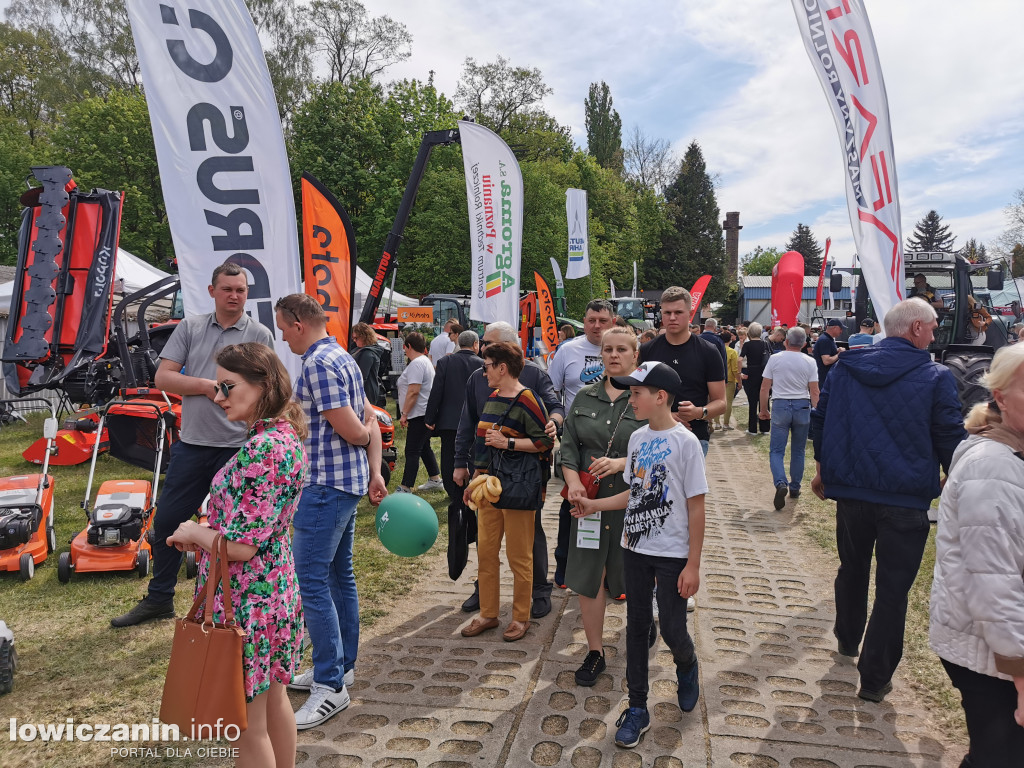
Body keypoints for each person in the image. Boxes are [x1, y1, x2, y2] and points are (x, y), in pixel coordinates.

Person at [811, 298, 967, 702]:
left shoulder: (846, 365)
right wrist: (960, 475)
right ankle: (875, 680)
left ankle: (847, 639)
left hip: (852, 492)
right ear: (915, 328)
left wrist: (821, 467)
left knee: (853, 567)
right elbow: (949, 433)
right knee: (893, 590)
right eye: (931, 327)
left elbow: (822, 419)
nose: (934, 335)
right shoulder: (937, 376)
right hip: (905, 498)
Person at [166, 342, 307, 766]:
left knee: (247, 727)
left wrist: (196, 531)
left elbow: (244, 547)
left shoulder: (264, 449)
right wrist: (209, 535)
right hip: (272, 590)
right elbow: (255, 527)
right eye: (216, 387)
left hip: (248, 600)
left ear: (263, 385)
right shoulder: (280, 437)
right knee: (272, 705)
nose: (219, 396)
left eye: (227, 386)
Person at [112, 261, 274, 628]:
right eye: (228, 289)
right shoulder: (191, 326)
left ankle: (238, 607)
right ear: (211, 291)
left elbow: (268, 386)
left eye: (241, 290)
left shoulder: (259, 334)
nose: (235, 296)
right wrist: (205, 386)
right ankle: (160, 598)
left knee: (236, 535)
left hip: (238, 449)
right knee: (168, 521)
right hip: (192, 444)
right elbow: (164, 376)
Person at [574, 361, 706, 748]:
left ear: (660, 396)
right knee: (636, 628)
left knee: (672, 628)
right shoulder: (637, 439)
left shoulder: (686, 443)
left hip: (672, 554)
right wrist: (595, 507)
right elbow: (635, 491)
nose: (631, 399)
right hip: (634, 547)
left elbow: (696, 506)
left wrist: (693, 564)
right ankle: (637, 707)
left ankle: (687, 664)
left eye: (636, 393)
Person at [273, 294, 387, 729]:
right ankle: (341, 666)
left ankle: (330, 685)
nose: (283, 337)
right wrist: (368, 441)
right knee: (339, 576)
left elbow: (356, 428)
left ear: (299, 323)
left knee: (313, 582)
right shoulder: (341, 355)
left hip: (324, 485)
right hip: (342, 483)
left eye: (284, 328)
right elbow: (368, 423)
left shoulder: (319, 363)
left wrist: (364, 435)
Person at [930, 344, 1024, 765]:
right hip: (996, 658)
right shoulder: (993, 467)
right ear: (1000, 396)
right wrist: (1020, 674)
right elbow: (993, 578)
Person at [454, 321, 562, 617]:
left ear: (504, 362)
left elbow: (546, 433)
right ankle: (487, 611)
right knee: (486, 552)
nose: (482, 351)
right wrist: (471, 477)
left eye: (488, 347)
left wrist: (511, 442)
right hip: (490, 483)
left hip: (521, 482)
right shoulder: (484, 386)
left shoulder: (530, 388)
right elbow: (474, 430)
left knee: (522, 551)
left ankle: (527, 607)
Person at [561, 327, 646, 686]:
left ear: (634, 356)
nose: (614, 355)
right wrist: (575, 484)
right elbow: (568, 447)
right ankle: (595, 651)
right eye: (608, 349)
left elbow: (659, 452)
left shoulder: (646, 398)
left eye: (622, 349)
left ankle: (641, 637)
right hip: (589, 505)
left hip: (634, 505)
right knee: (589, 580)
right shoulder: (583, 398)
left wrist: (622, 463)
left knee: (638, 577)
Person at [547, 299, 616, 588]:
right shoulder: (568, 350)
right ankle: (564, 566)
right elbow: (552, 389)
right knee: (571, 504)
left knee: (613, 509)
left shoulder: (620, 346)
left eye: (602, 320)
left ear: (612, 321)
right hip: (577, 438)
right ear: (583, 321)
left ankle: (614, 575)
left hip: (615, 439)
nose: (596, 325)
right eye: (591, 320)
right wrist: (556, 418)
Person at [637, 286, 725, 458]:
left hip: (695, 437)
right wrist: (669, 417)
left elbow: (721, 402)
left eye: (678, 312)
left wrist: (699, 412)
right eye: (667, 313)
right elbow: (638, 396)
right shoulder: (648, 350)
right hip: (655, 436)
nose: (672, 318)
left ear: (690, 313)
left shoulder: (708, 351)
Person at [425, 329, 483, 572]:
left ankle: (455, 490)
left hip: (450, 421)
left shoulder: (445, 362)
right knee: (472, 456)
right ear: (477, 344)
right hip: (477, 420)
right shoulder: (483, 365)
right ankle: (472, 489)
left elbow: (436, 390)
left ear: (458, 344)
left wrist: (431, 417)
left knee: (449, 456)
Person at [759, 327, 819, 509]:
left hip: (780, 405)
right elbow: (814, 391)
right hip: (802, 405)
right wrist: (817, 411)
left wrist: (763, 410)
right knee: (798, 451)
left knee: (776, 450)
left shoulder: (775, 359)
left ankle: (780, 483)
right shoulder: (810, 361)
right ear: (804, 343)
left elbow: (764, 387)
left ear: (785, 341)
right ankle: (795, 487)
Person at [397, 332, 443, 493]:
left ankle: (405, 487)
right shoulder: (424, 361)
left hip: (418, 413)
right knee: (423, 447)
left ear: (408, 346)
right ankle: (435, 479)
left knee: (412, 450)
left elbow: (413, 391)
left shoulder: (417, 363)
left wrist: (404, 414)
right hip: (423, 412)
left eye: (405, 348)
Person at [740, 321, 771, 436]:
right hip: (764, 373)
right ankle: (765, 428)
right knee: (765, 399)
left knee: (752, 401)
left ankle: (752, 429)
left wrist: (739, 372)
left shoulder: (747, 345)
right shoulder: (765, 343)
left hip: (751, 373)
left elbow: (740, 359)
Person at [351, 322, 390, 407]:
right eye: (353, 338)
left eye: (356, 338)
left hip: (366, 392)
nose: (354, 340)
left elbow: (362, 377)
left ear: (364, 336)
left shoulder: (368, 353)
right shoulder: (366, 350)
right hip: (367, 390)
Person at [714, 330, 740, 431]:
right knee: (728, 402)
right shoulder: (732, 352)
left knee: (716, 401)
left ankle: (716, 423)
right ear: (730, 339)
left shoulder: (716, 349)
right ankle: (726, 423)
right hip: (729, 380)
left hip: (717, 379)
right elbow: (734, 369)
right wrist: (739, 381)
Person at [813, 319, 843, 388]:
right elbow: (826, 361)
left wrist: (836, 350)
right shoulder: (825, 340)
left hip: (825, 378)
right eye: (840, 329)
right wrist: (839, 354)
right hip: (824, 379)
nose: (841, 331)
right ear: (835, 327)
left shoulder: (827, 339)